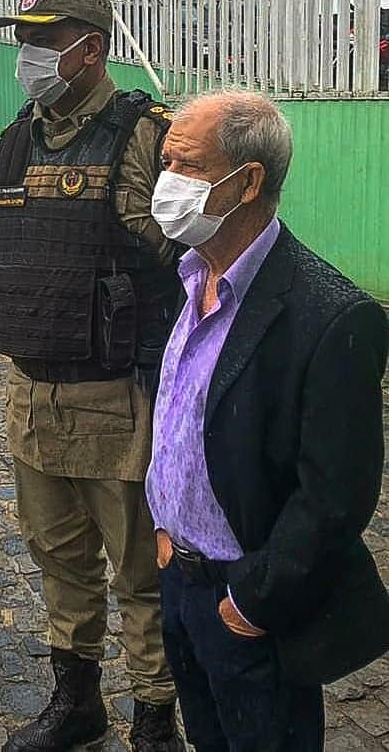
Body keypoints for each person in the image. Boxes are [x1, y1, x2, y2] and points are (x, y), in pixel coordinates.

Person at [147, 89, 389, 751]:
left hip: (247, 604)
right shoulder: (186, 275)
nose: (167, 182)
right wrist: (163, 531)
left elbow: (336, 496)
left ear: (248, 182)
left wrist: (251, 601)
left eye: (189, 165)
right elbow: (178, 416)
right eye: (166, 162)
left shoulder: (330, 315)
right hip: (178, 581)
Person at [0, 0, 184, 750]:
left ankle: (154, 717)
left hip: (114, 399)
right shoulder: (15, 137)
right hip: (31, 396)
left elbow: (191, 266)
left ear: (90, 48)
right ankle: (77, 702)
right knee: (59, 560)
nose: (26, 55)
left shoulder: (145, 136)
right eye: (23, 39)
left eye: (42, 39)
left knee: (139, 573)